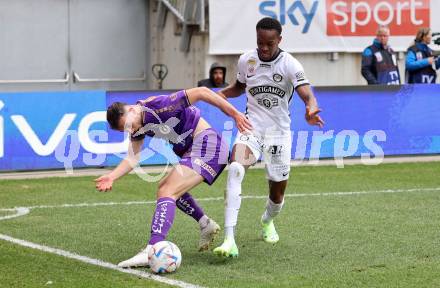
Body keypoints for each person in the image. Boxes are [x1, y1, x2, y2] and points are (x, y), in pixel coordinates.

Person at [95, 87, 251, 267]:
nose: (131, 130)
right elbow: (132, 157)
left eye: (129, 125)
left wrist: (236, 114)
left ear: (131, 109)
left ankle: (152, 249)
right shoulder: (137, 123)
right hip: (195, 149)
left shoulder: (160, 106)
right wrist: (112, 176)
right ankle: (205, 224)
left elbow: (202, 91)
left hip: (209, 146)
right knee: (166, 187)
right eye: (126, 129)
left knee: (167, 190)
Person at [213, 17, 324, 258]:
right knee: (235, 169)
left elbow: (307, 94)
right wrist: (218, 95)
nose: (264, 48)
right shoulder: (247, 60)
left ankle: (267, 220)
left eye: (269, 43)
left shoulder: (290, 64)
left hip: (279, 135)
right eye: (260, 42)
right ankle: (229, 240)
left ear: (279, 40)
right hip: (250, 128)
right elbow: (238, 86)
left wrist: (311, 107)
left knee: (277, 195)